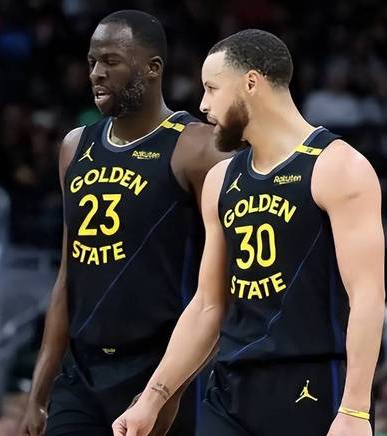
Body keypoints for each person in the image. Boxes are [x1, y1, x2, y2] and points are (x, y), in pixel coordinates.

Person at [113, 29, 385, 436]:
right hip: (229, 390)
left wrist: (355, 410)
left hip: (311, 388)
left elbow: (368, 297)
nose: (203, 104)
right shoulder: (221, 179)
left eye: (212, 88)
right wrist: (150, 400)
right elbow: (207, 306)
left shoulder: (338, 167)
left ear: (251, 83)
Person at [19, 10, 229, 436]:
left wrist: (168, 389)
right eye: (92, 61)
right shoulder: (75, 146)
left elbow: (225, 285)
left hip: (161, 365)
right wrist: (38, 395)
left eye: (111, 61)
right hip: (81, 374)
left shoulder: (197, 148)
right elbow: (67, 277)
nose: (96, 73)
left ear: (153, 68)